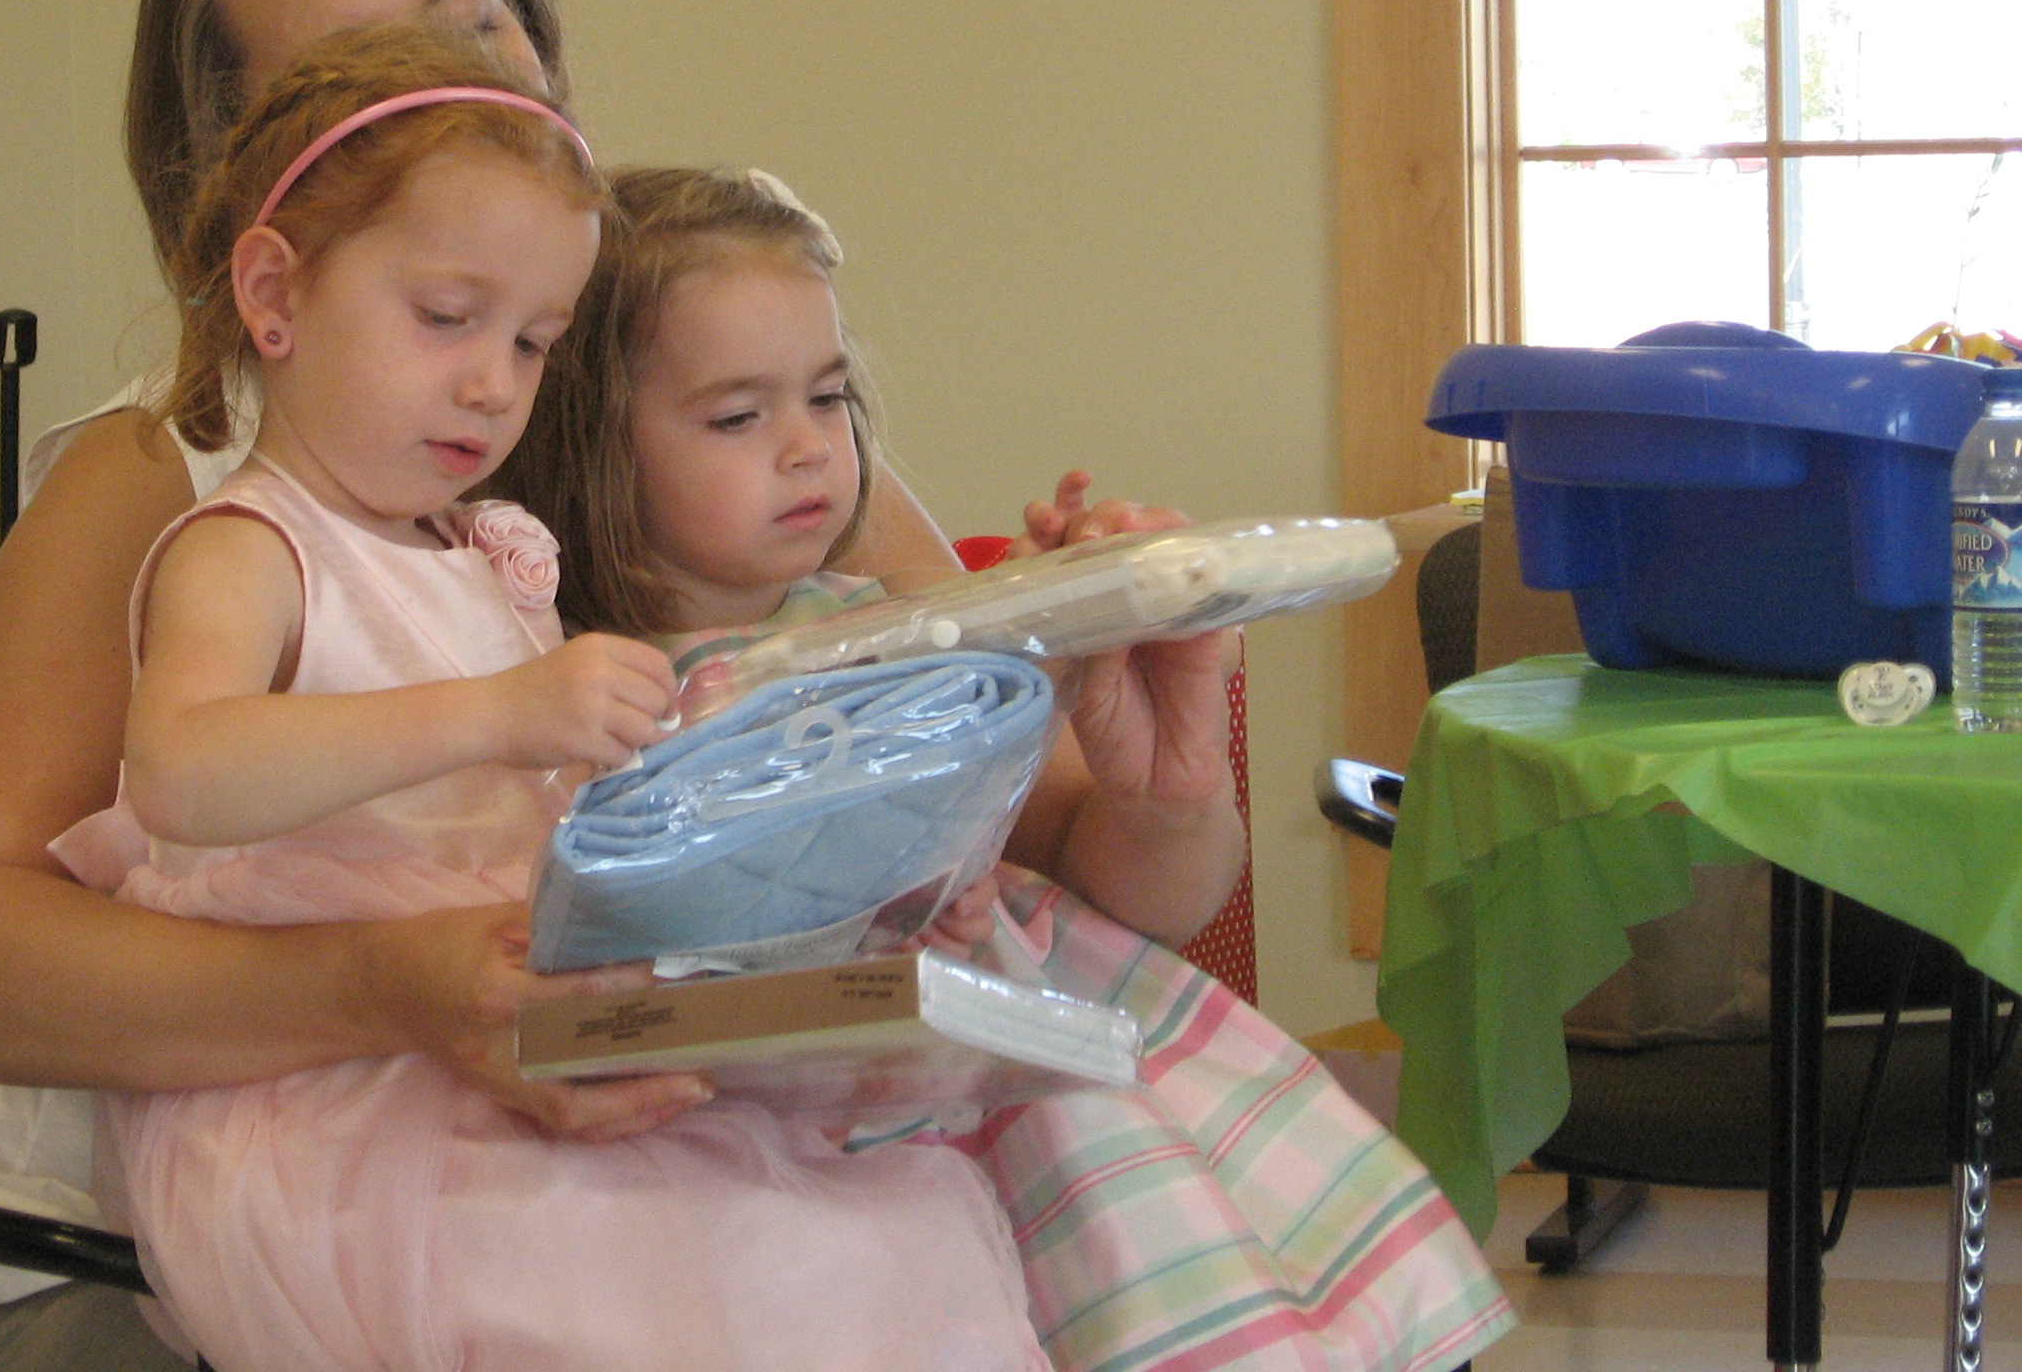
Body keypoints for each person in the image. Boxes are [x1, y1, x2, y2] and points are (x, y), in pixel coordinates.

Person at [0, 0, 1258, 1369]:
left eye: (470, 33)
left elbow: (1094, 855)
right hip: (183, 1229)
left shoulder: (712, 379)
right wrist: (392, 987)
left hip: (633, 1143)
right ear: (259, 200)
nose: (449, 97)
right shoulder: (174, 479)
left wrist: (1163, 793)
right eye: (359, 75)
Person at [48, 27, 1049, 1371]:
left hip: (502, 1035)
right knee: (700, 1281)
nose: (492, 383)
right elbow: (182, 772)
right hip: (336, 1102)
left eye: (532, 342)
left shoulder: (482, 554)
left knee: (876, 1227)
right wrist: (498, 713)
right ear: (275, 294)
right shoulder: (251, 548)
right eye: (445, 318)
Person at [491, 167, 1515, 1372]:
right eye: (736, 418)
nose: (810, 448)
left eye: (828, 396)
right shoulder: (567, 688)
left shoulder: (899, 630)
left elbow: (1144, 884)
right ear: (586, 443)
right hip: (771, 1121)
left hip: (1010, 1051)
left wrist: (1089, 690)